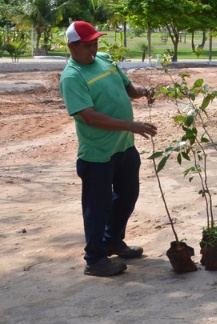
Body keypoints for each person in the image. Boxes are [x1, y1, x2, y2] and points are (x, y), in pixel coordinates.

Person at [59, 21, 157, 278]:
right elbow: (89, 117)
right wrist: (131, 125)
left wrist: (143, 90)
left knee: (127, 196)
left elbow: (127, 88)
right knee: (97, 207)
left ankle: (112, 240)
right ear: (72, 46)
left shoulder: (104, 59)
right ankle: (95, 259)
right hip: (97, 155)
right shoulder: (72, 77)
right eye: (87, 45)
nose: (94, 48)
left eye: (95, 42)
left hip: (124, 147)